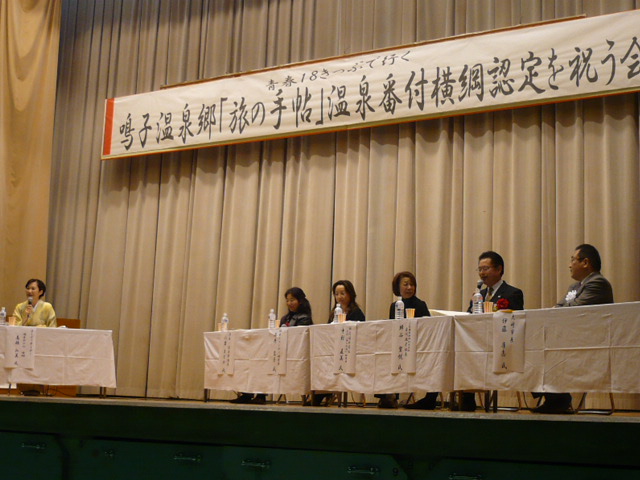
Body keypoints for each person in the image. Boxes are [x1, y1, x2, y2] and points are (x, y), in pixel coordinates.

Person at [533, 244, 613, 414]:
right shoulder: (574, 287)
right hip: (571, 337)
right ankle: (554, 398)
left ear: (585, 262)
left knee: (547, 350)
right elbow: (559, 308)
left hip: (591, 342)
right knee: (536, 346)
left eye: (572, 260)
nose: (569, 265)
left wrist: (559, 308)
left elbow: (574, 310)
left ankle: (558, 399)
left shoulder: (598, 283)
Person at [460, 251, 524, 411]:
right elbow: (469, 318)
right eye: (480, 269)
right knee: (463, 353)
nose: (482, 273)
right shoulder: (479, 294)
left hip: (501, 345)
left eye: (486, 268)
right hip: (477, 344)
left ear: (499, 269)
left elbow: (515, 323)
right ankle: (466, 400)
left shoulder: (512, 293)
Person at [230, 287, 313, 405]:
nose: (289, 303)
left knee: (266, 362)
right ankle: (247, 393)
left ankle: (261, 395)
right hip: (280, 351)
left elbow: (297, 339)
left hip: (293, 355)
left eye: (292, 300)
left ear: (300, 301)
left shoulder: (305, 318)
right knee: (256, 359)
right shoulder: (285, 318)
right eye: (287, 300)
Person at [380, 272, 432, 409]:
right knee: (382, 357)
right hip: (399, 346)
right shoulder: (394, 306)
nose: (409, 287)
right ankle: (387, 396)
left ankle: (428, 400)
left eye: (412, 285)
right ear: (398, 287)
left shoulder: (420, 304)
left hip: (417, 347)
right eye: (406, 284)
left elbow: (427, 329)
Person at [312, 280, 365, 406]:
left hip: (350, 352)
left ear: (350, 294)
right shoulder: (334, 312)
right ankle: (322, 392)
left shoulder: (356, 312)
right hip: (334, 349)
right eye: (336, 294)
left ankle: (325, 393)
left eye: (342, 293)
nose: (339, 297)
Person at [13, 279, 57, 396]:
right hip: (24, 344)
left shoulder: (47, 307)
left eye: (33, 288)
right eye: (28, 288)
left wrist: (40, 328)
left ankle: (40, 389)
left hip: (41, 344)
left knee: (39, 367)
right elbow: (15, 327)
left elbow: (52, 327)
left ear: (40, 292)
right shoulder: (20, 307)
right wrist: (26, 317)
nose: (29, 291)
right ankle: (23, 389)